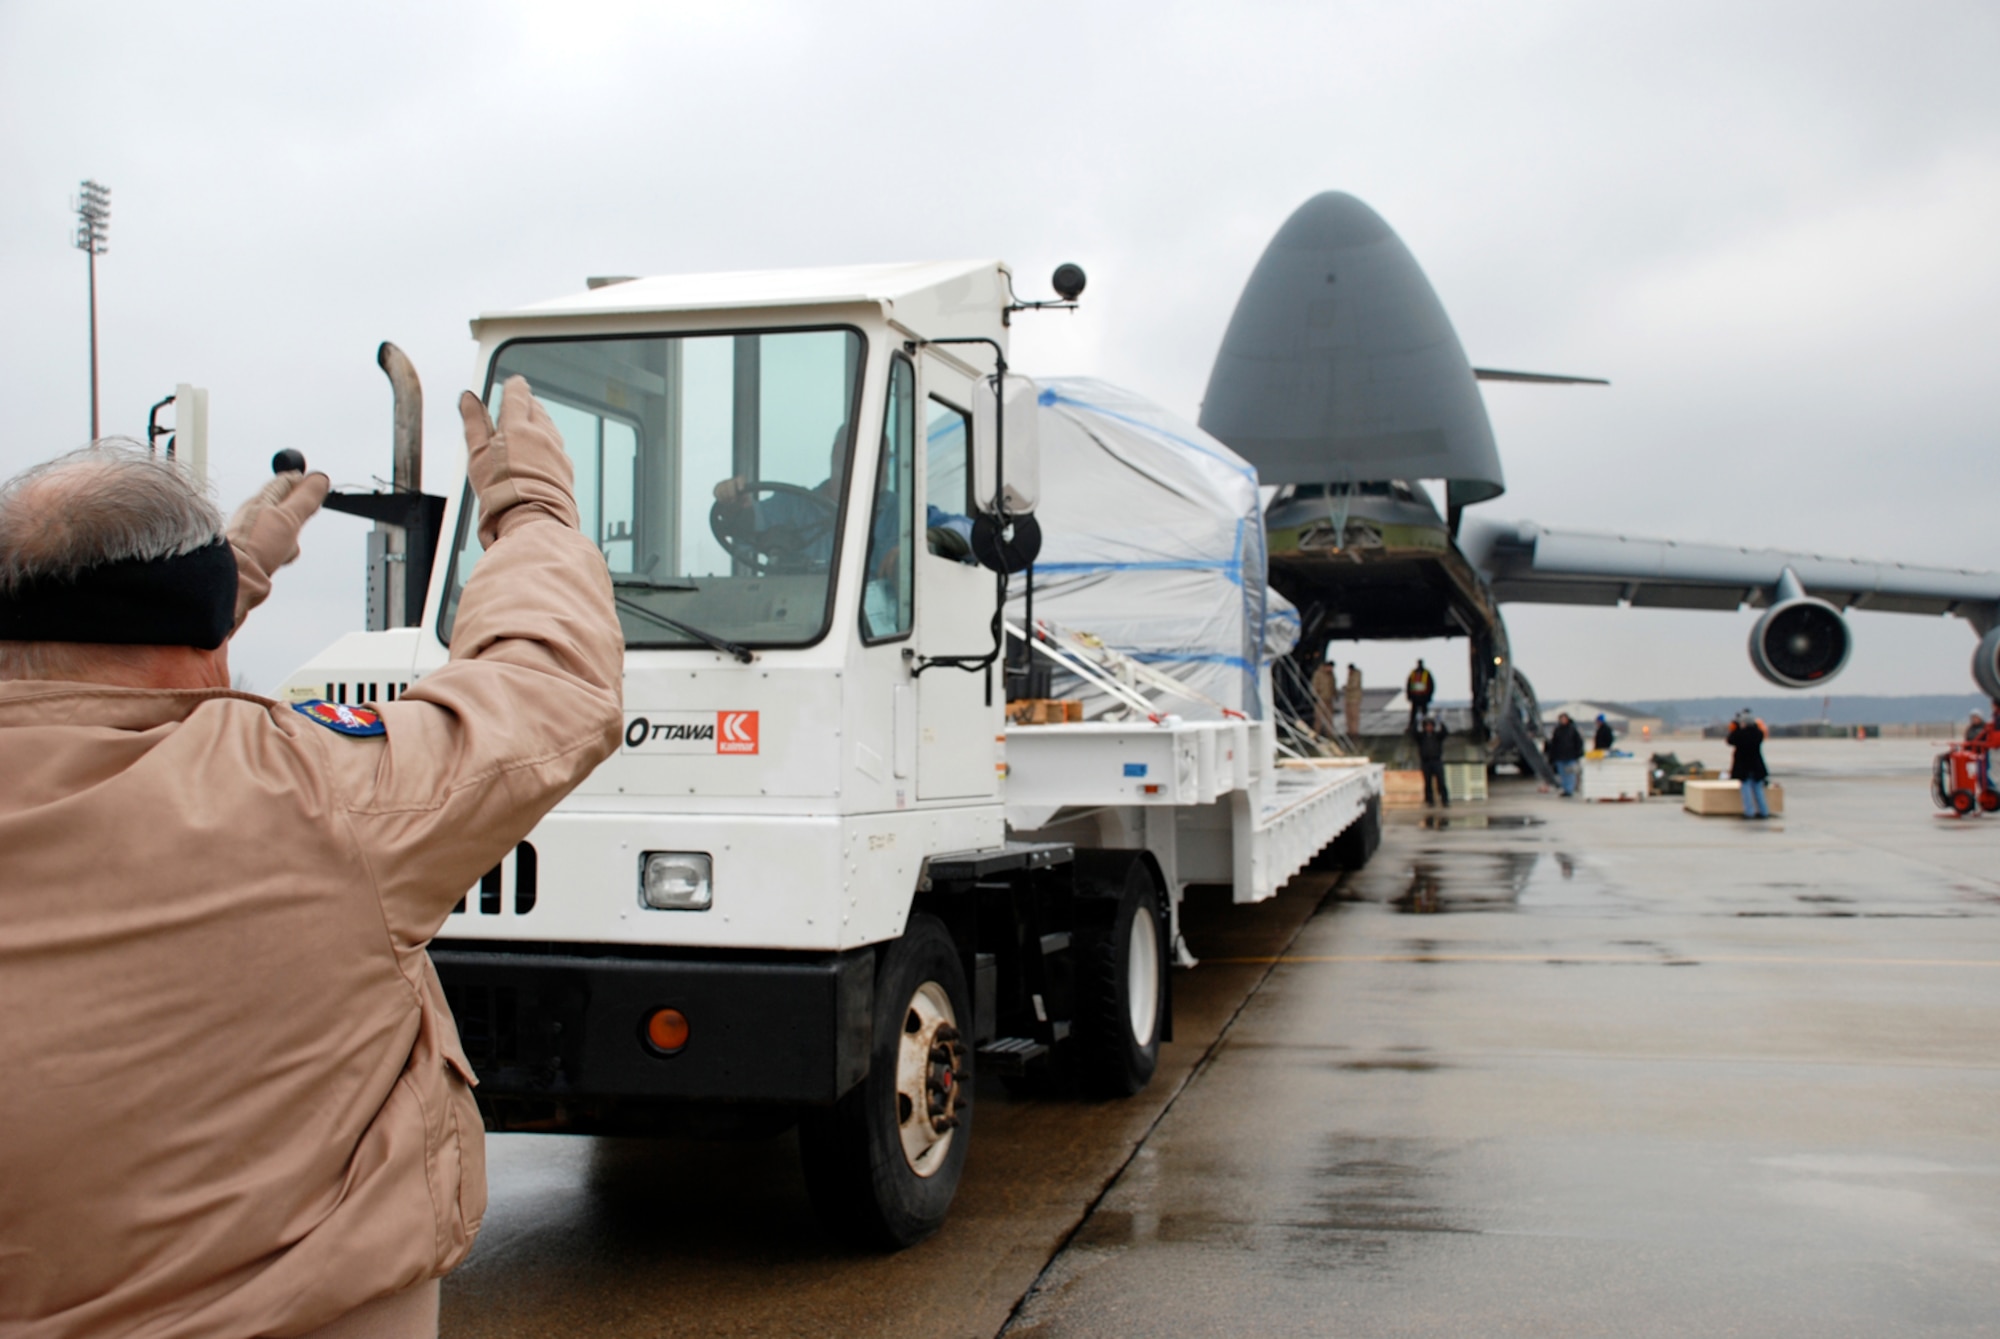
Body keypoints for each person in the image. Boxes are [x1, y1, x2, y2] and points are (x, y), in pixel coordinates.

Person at [0, 377, 623, 1338]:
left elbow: (95, 667)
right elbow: (547, 684)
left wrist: (234, 566)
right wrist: (531, 509)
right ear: (200, 628)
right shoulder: (312, 798)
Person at [1727, 709, 1771, 819]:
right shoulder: (1758, 734)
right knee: (1758, 789)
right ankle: (1764, 811)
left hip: (1743, 766)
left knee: (1746, 790)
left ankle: (1749, 812)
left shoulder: (1740, 734)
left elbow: (1730, 740)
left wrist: (1736, 727)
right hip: (1756, 765)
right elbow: (1759, 732)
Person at [1547, 711, 1585, 797]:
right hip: (1560, 756)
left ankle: (1569, 790)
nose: (1563, 720)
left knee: (1570, 773)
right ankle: (1565, 789)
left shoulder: (1573, 729)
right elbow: (1553, 743)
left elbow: (1578, 742)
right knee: (1562, 774)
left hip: (1570, 756)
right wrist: (1552, 755)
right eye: (1561, 719)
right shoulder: (1557, 730)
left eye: (1564, 719)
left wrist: (1578, 753)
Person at [1417, 714, 1450, 807]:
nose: (1429, 727)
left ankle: (1445, 800)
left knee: (1441, 781)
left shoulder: (1437, 736)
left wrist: (1441, 722)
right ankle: (1430, 801)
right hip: (1426, 762)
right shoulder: (1422, 737)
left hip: (1437, 761)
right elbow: (1413, 733)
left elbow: (1445, 733)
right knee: (1428, 782)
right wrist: (1417, 722)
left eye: (1431, 726)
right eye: (1427, 726)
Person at [1405, 658, 1434, 731]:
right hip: (1415, 697)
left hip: (1423, 697)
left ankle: (1425, 726)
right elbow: (1408, 685)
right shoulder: (1413, 673)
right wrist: (1409, 696)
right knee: (1413, 714)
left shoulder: (1426, 673)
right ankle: (1412, 726)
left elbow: (1431, 685)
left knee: (1424, 713)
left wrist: (1429, 696)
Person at [1344, 663, 1363, 739]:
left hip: (1354, 699)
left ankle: (1354, 732)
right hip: (1349, 698)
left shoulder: (1355, 675)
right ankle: (1350, 731)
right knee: (1349, 716)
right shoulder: (1350, 675)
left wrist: (1346, 687)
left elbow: (1354, 685)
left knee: (1354, 716)